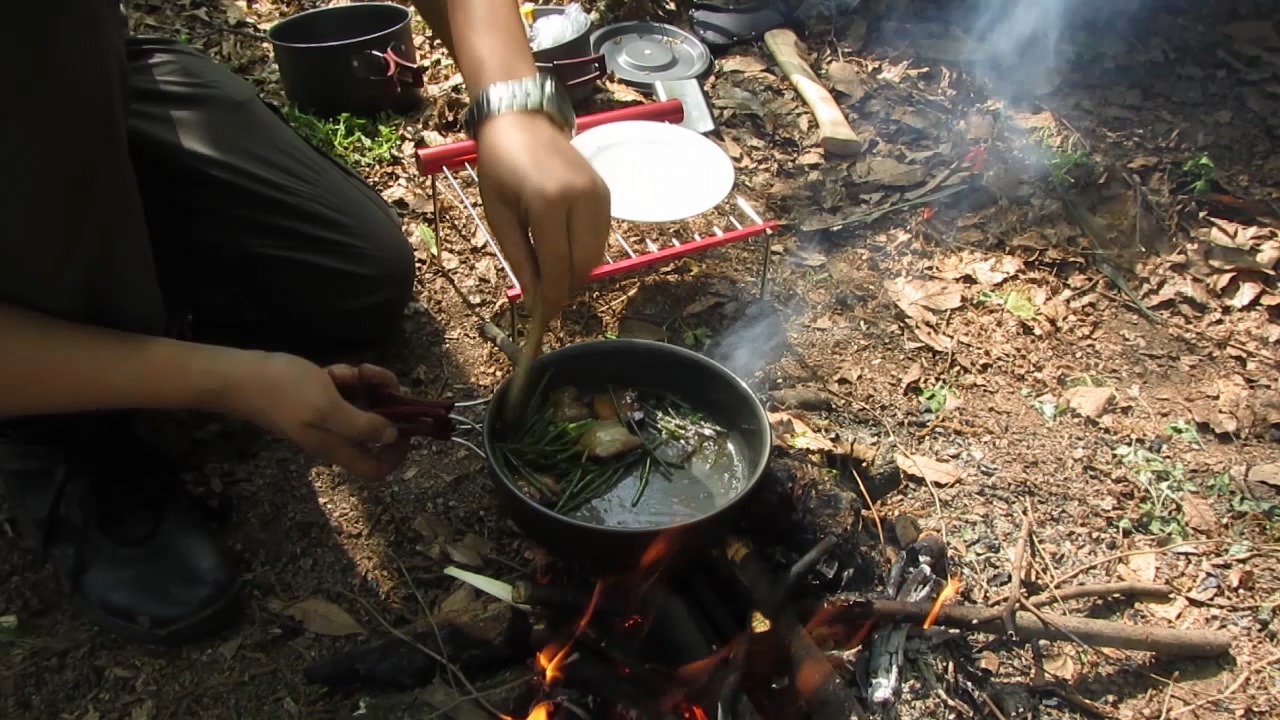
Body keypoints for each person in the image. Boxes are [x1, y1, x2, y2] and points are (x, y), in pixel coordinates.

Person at [0, 0, 610, 645]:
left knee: (354, 275)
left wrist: (514, 107)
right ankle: (55, 426)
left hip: (85, 63)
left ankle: (113, 269)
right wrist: (223, 380)